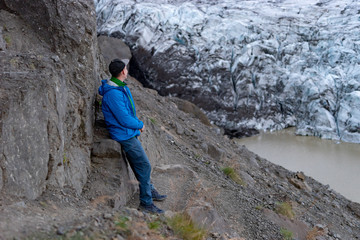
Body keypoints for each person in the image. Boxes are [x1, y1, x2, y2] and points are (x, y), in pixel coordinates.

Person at [98, 59, 166, 214]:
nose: (127, 70)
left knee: (140, 164)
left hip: (128, 132)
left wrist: (135, 126)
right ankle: (146, 203)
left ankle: (150, 190)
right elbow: (124, 119)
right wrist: (139, 125)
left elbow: (128, 113)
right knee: (144, 165)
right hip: (124, 134)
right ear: (123, 71)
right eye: (126, 69)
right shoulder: (114, 93)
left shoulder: (120, 87)